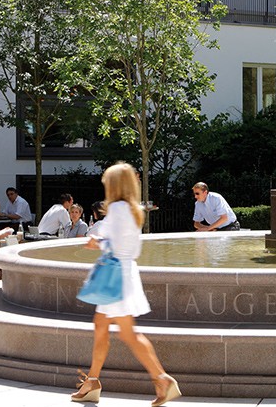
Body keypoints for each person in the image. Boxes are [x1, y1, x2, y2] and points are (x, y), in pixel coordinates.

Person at [70, 162, 180, 405]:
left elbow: (114, 245)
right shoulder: (132, 209)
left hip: (115, 276)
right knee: (101, 327)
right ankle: (92, 382)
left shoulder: (118, 208)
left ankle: (162, 379)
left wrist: (96, 243)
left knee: (128, 333)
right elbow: (130, 246)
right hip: (123, 273)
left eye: (107, 180)